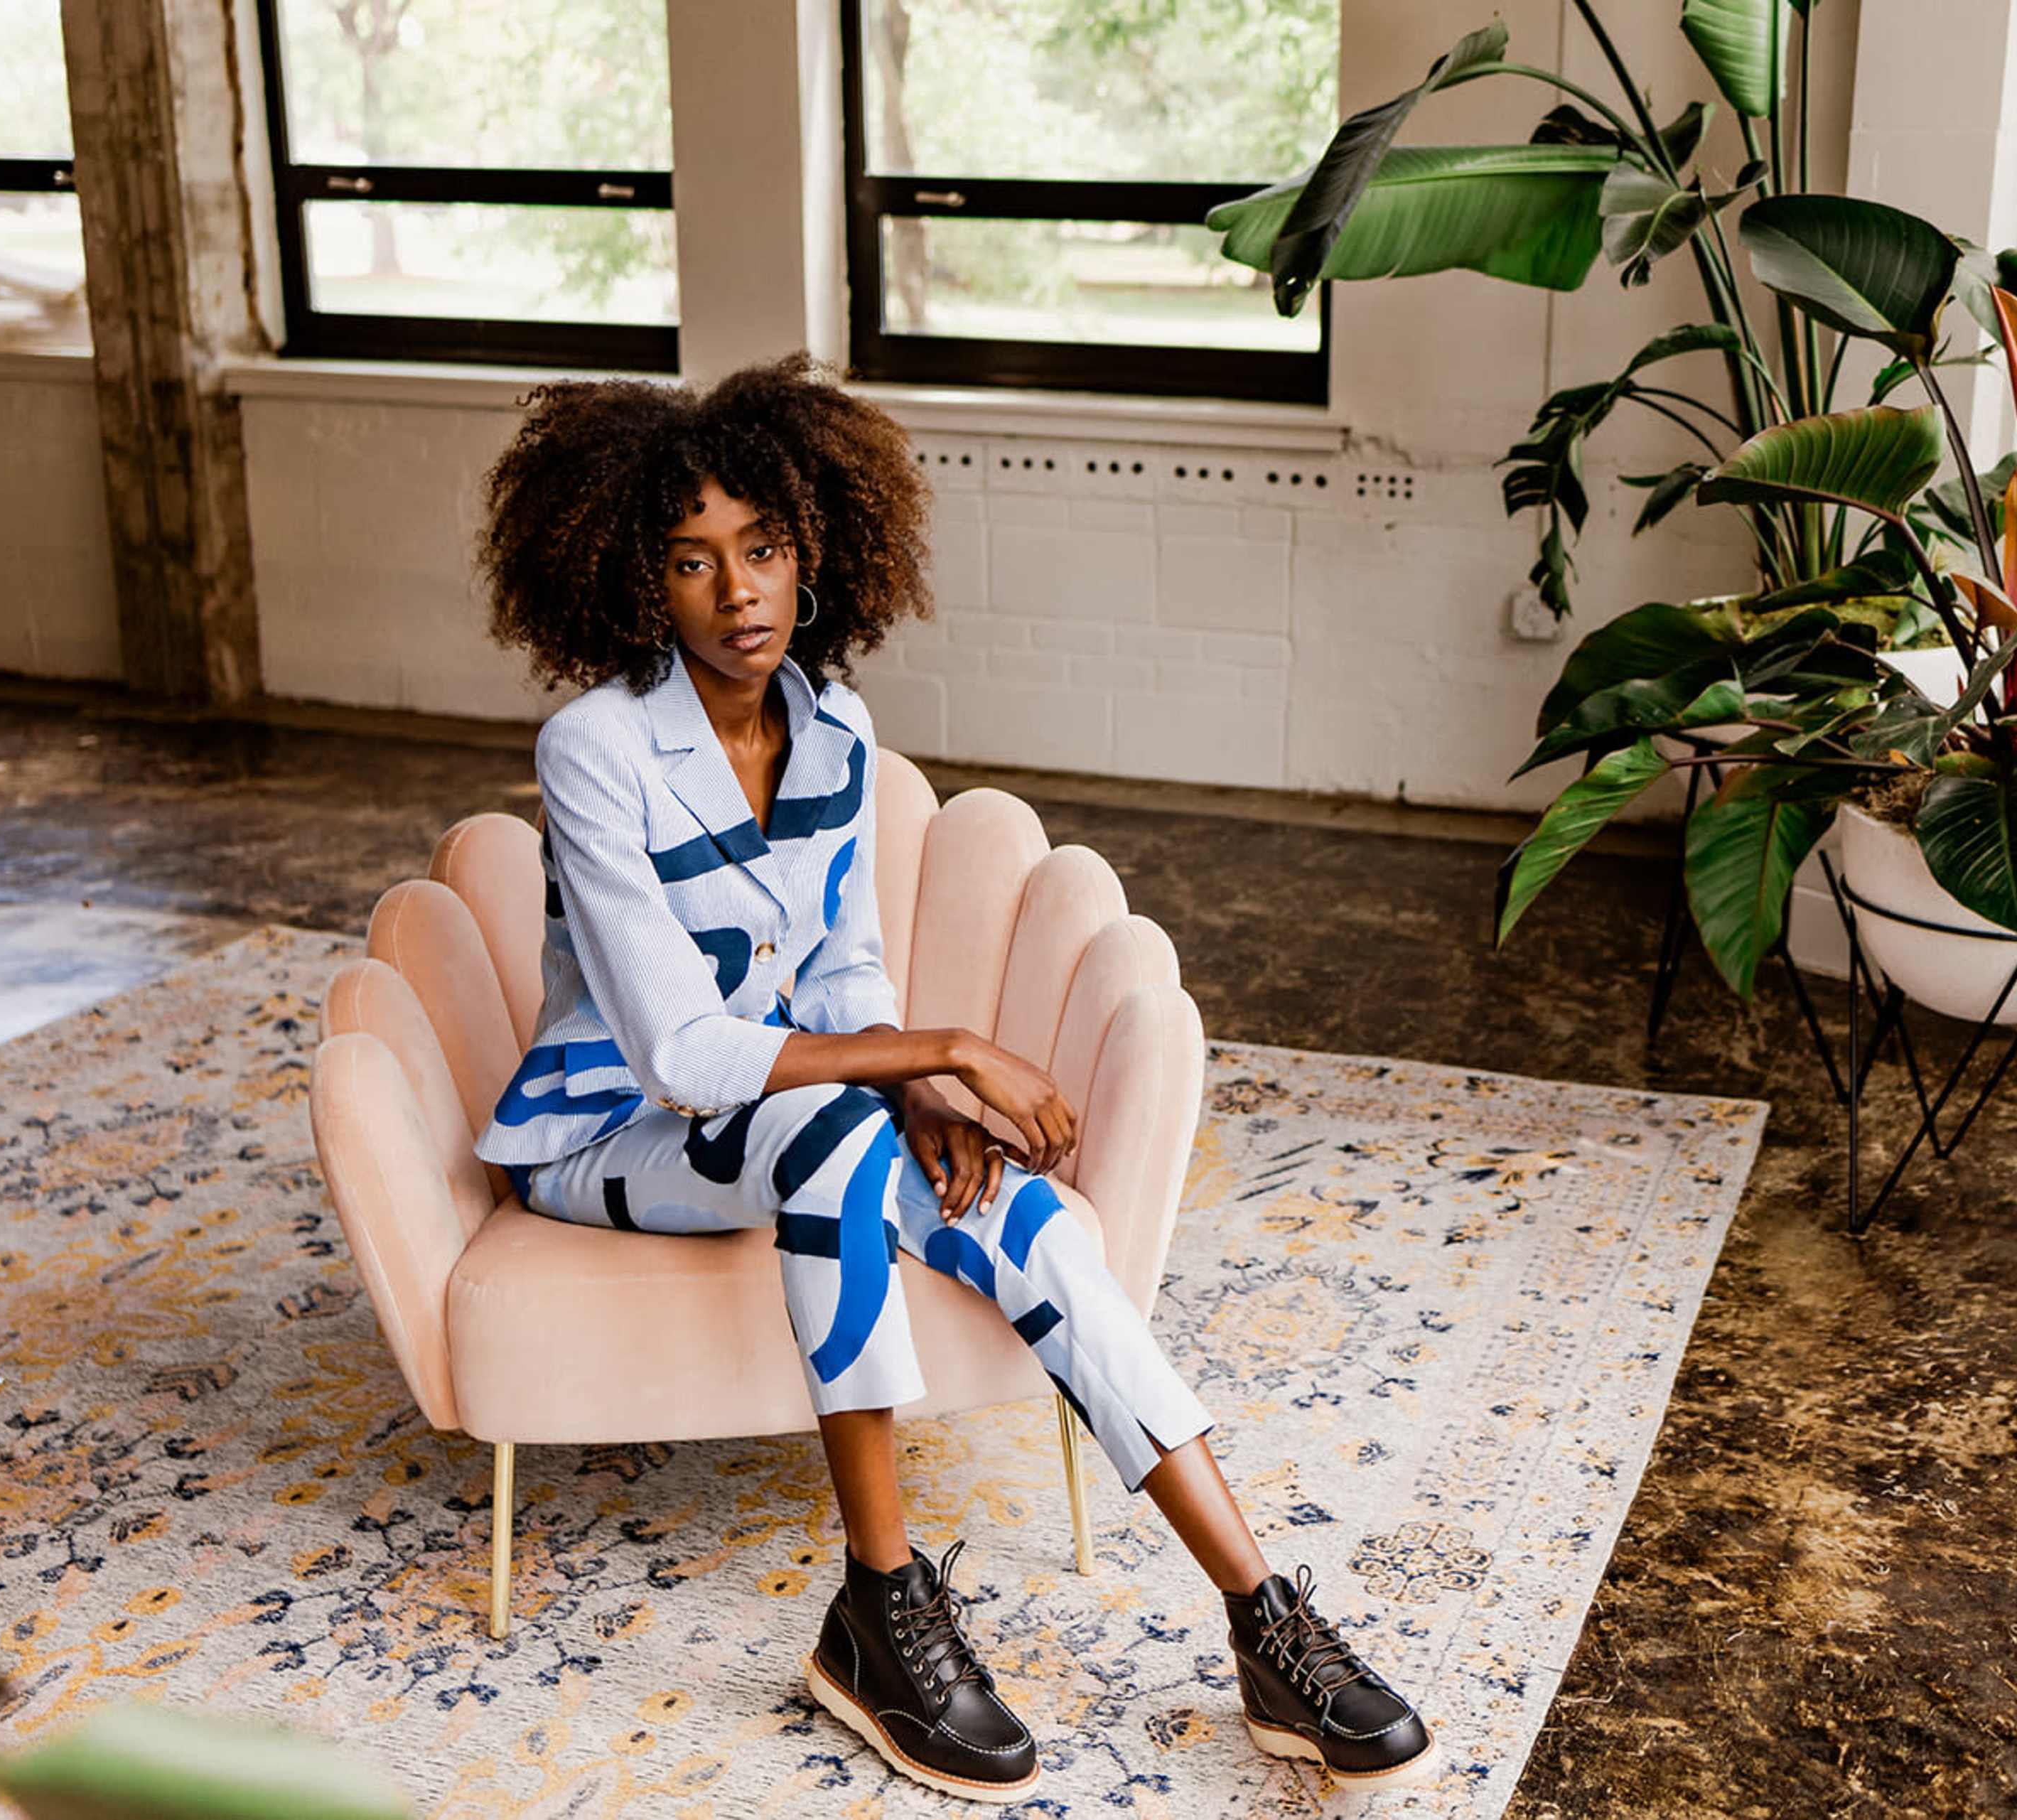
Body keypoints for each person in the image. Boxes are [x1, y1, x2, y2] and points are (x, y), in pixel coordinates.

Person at [468, 352, 1436, 1801]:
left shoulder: (837, 731)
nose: (738, 591)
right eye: (691, 562)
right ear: (629, 580)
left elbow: (843, 968)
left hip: (790, 1107)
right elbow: (682, 1051)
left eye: (765, 548)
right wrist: (943, 1052)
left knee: (1020, 1213)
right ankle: (882, 1602)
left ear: (816, 549)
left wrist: (924, 1098)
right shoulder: (596, 750)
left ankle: (1260, 1618)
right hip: (613, 1128)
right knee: (826, 1134)